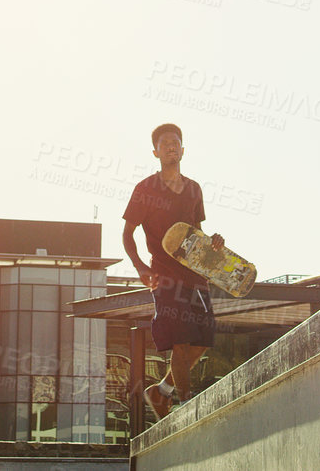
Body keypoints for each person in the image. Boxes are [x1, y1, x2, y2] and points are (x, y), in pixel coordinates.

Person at [121, 123, 224, 418]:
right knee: (180, 342)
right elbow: (127, 233)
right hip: (165, 278)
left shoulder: (194, 189)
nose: (170, 146)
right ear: (155, 152)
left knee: (203, 342)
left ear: (182, 150)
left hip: (197, 278)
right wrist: (140, 266)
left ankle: (161, 392)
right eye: (164, 143)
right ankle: (187, 405)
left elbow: (198, 233)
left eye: (175, 142)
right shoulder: (145, 190)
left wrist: (214, 245)